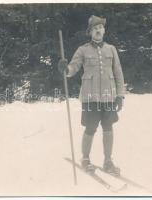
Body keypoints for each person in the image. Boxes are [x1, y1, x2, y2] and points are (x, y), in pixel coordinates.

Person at [58, 15, 125, 176]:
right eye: (94, 28)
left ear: (104, 30)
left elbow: (118, 73)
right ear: (90, 32)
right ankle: (85, 159)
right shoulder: (83, 50)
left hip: (109, 96)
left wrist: (120, 95)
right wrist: (65, 69)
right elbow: (73, 67)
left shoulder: (111, 49)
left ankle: (108, 161)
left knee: (108, 128)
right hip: (90, 97)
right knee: (90, 128)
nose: (98, 30)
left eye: (100, 27)